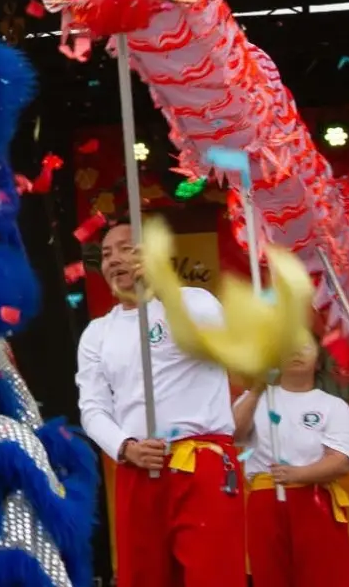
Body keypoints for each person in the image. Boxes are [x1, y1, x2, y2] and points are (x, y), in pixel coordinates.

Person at [75, 222, 246, 587]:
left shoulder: (195, 302)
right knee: (142, 576)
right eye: (106, 254)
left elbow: (219, 342)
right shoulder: (97, 334)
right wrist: (126, 447)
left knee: (212, 576)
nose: (114, 260)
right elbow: (92, 408)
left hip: (201, 462)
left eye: (127, 248)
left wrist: (163, 288)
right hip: (138, 466)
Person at [232, 336, 349, 587]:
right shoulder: (257, 399)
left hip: (314, 498)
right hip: (266, 499)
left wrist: (298, 474)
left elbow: (341, 460)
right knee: (270, 574)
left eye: (305, 347)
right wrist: (256, 389)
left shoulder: (333, 406)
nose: (297, 352)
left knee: (321, 576)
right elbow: (233, 434)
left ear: (318, 361)